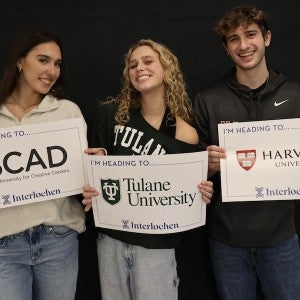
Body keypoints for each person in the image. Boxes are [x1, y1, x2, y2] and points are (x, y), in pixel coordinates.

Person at [82, 38, 213, 300]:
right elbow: (91, 174)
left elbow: (186, 190)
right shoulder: (110, 115)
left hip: (157, 244)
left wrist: (203, 189)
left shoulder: (185, 133)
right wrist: (88, 186)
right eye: (133, 65)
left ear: (167, 69)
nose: (139, 67)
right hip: (112, 239)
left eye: (148, 61)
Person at [194, 5, 300, 300]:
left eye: (250, 34)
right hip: (227, 243)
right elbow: (190, 170)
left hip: (281, 240)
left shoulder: (296, 97)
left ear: (266, 37)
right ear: (227, 48)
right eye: (233, 39)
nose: (243, 45)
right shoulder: (207, 101)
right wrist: (207, 164)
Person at [0, 30, 86, 299]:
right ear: (19, 61)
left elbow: (81, 177)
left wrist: (95, 167)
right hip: (5, 243)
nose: (52, 70)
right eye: (43, 60)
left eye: (57, 64)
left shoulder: (67, 112)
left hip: (57, 239)